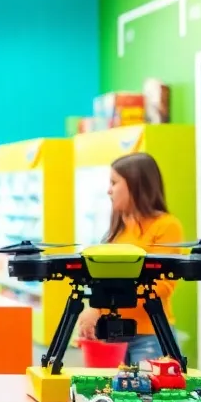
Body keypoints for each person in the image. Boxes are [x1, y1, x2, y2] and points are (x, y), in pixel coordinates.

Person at [75, 153, 183, 364]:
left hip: (150, 336)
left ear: (135, 184)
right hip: (111, 333)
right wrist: (95, 309)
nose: (109, 190)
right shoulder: (117, 229)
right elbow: (103, 281)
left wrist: (102, 305)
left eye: (114, 182)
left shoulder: (166, 226)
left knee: (149, 387)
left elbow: (162, 286)